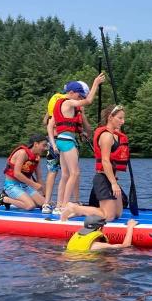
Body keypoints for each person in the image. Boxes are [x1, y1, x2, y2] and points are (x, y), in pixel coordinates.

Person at [50, 74, 105, 213]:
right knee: (75, 173)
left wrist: (82, 133)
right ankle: (64, 206)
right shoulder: (68, 102)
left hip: (61, 140)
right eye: (78, 95)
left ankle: (58, 205)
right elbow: (89, 101)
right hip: (68, 141)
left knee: (65, 175)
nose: (79, 98)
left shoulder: (59, 105)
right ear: (70, 93)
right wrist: (95, 84)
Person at [0, 133, 48, 210]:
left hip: (25, 186)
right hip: (12, 186)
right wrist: (34, 185)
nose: (45, 148)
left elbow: (40, 179)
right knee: (30, 206)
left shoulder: (37, 158)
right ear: (36, 144)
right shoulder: (22, 153)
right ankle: (4, 199)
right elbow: (17, 173)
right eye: (44, 145)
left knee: (43, 203)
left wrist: (46, 198)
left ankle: (28, 200)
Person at [65, 216, 138, 252]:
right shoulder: (98, 245)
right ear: (100, 229)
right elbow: (125, 246)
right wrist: (130, 227)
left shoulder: (74, 239)